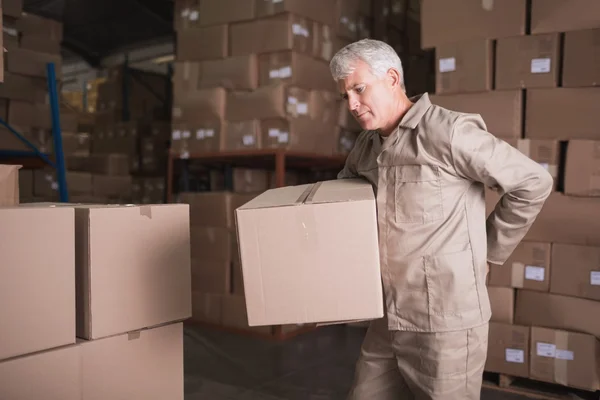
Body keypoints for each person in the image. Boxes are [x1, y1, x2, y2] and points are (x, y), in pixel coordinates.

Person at [330, 39, 553, 400]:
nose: (352, 105)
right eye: (345, 96)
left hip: (446, 323)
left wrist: (489, 252)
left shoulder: (448, 132)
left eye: (358, 89)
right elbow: (343, 202)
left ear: (391, 78)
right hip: (388, 316)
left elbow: (533, 183)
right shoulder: (365, 147)